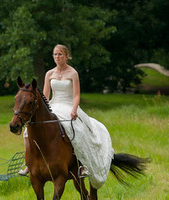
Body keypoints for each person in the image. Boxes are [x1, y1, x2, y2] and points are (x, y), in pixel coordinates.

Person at [20, 44, 115, 188]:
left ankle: (82, 164)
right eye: (55, 55)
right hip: (53, 105)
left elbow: (76, 95)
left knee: (77, 129)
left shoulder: (73, 73)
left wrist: (74, 109)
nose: (57, 57)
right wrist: (41, 111)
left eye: (60, 55)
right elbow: (45, 96)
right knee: (28, 131)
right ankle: (29, 163)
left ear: (66, 56)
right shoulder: (49, 74)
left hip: (69, 105)